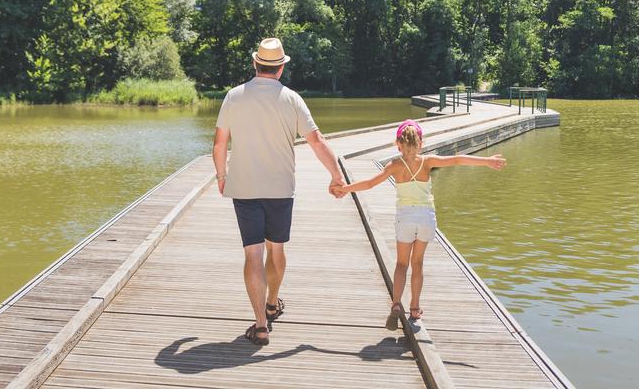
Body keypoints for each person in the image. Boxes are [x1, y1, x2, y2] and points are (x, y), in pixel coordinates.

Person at [213, 37, 346, 346]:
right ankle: (272, 302)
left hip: (244, 188)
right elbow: (316, 141)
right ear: (282, 67)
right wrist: (336, 175)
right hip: (280, 189)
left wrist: (222, 175)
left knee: (253, 254)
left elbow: (220, 144)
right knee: (277, 249)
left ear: (254, 63)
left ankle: (261, 325)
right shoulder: (292, 99)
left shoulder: (233, 97)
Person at [337, 119, 505, 329]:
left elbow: (370, 183)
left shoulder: (395, 166)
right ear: (420, 143)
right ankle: (415, 308)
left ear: (398, 144)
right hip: (426, 218)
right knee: (417, 264)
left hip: (405, 218)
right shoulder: (427, 161)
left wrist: (345, 189)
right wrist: (487, 161)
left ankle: (397, 304)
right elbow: (457, 160)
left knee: (401, 264)